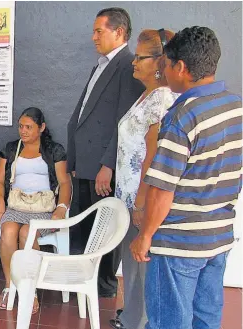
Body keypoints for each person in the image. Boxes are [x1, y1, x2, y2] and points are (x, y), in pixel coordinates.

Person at [131, 26, 242, 329]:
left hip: (178, 243)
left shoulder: (182, 116)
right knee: (206, 318)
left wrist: (146, 236)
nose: (163, 70)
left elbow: (163, 187)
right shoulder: (235, 106)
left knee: (169, 321)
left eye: (166, 64)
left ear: (180, 67)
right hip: (218, 237)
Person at [66, 7, 144, 297]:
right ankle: (87, 280)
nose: (93, 37)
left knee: (106, 229)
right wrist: (74, 158)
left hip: (102, 165)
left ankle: (104, 287)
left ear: (119, 32)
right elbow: (82, 115)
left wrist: (107, 165)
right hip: (86, 162)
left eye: (99, 31)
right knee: (87, 225)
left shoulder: (128, 65)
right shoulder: (101, 64)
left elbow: (124, 122)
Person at [109, 29, 179, 329]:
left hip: (142, 198)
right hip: (128, 197)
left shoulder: (161, 100)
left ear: (160, 62)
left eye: (140, 57)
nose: (134, 62)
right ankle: (132, 317)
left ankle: (143, 322)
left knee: (143, 266)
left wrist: (140, 202)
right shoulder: (146, 95)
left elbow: (153, 156)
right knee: (132, 265)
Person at [0, 107, 72, 314]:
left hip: (43, 208)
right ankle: (9, 286)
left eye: (29, 127)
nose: (23, 131)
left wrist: (61, 208)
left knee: (27, 233)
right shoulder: (11, 149)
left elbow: (64, 183)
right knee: (8, 230)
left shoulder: (54, 150)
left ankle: (30, 290)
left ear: (41, 127)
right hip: (16, 204)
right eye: (21, 126)